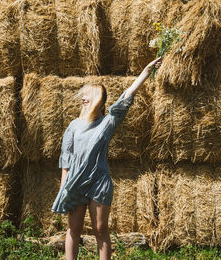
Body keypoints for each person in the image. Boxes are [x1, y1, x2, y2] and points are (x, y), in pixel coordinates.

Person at [51, 57, 162, 260]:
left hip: (99, 183)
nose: (83, 99)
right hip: (75, 182)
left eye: (88, 96)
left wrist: (146, 72)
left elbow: (126, 98)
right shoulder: (73, 125)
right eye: (83, 96)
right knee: (73, 229)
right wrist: (63, 187)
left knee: (100, 230)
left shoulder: (107, 123)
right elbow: (66, 159)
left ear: (98, 100)